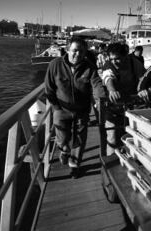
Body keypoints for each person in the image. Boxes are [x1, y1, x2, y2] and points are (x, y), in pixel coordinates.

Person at [45, 37, 106, 176]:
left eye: (81, 51)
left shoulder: (89, 67)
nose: (77, 54)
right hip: (61, 109)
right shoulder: (55, 65)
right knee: (62, 137)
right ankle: (64, 149)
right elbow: (49, 88)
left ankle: (75, 164)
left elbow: (96, 84)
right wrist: (56, 107)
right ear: (67, 50)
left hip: (82, 110)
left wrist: (100, 99)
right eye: (75, 50)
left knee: (79, 138)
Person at [101, 43, 145, 156]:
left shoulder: (135, 63)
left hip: (131, 107)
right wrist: (112, 90)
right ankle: (112, 162)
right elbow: (107, 77)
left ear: (125, 56)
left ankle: (128, 161)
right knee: (112, 138)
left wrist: (143, 89)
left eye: (118, 59)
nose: (114, 62)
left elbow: (143, 79)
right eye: (112, 59)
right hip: (113, 109)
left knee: (131, 138)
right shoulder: (108, 64)